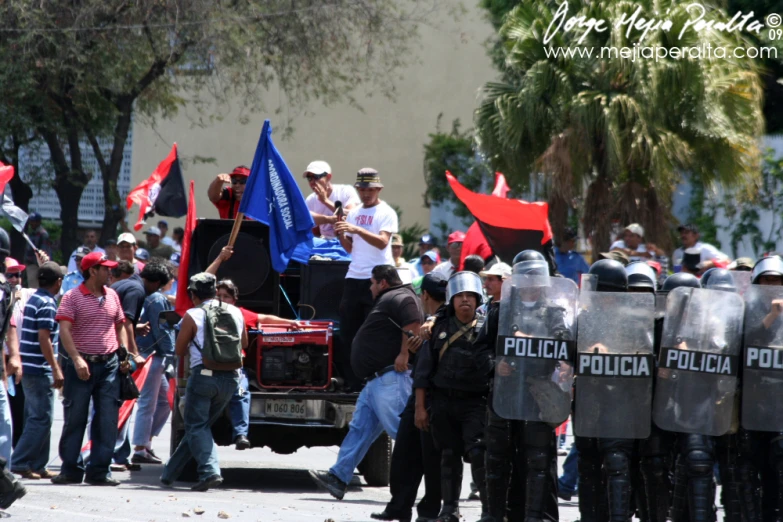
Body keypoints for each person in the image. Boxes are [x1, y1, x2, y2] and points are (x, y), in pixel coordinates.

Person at [309, 265, 421, 500]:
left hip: (392, 378)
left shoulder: (402, 296)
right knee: (360, 430)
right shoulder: (393, 297)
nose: (369, 287)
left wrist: (404, 354)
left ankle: (435, 483)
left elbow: (413, 323)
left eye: (372, 282)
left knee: (404, 434)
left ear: (383, 282)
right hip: (375, 382)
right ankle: (339, 477)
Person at [480, 250, 571, 522]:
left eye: (535, 276)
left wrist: (564, 362)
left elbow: (563, 343)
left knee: (538, 462)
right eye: (526, 276)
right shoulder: (501, 310)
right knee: (498, 461)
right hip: (505, 395)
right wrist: (495, 365)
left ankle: (535, 517)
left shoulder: (554, 312)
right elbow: (479, 351)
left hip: (536, 393)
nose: (531, 282)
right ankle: (496, 516)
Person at [415, 271, 491, 521]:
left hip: (476, 402)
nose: (465, 300)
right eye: (460, 296)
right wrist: (420, 408)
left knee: (480, 453)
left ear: (478, 299)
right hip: (444, 401)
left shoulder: (488, 327)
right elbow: (424, 372)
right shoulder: (437, 328)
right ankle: (449, 509)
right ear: (452, 300)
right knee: (448, 455)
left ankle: (489, 511)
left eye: (470, 295)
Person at [372, 272, 446, 522]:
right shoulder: (431, 322)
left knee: (431, 460)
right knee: (404, 454)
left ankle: (429, 511)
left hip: (436, 399)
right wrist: (415, 349)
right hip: (418, 396)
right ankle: (398, 507)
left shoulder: (440, 320)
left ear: (424, 295)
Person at [161, 273, 246, 491]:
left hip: (203, 378)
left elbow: (179, 350)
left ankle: (209, 472)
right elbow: (244, 342)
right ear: (215, 291)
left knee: (196, 425)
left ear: (193, 294)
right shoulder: (236, 311)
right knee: (200, 426)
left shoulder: (193, 314)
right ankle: (169, 474)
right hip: (231, 379)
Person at [53, 252, 128, 486]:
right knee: (75, 418)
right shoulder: (71, 297)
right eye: (105, 268)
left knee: (107, 419)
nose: (110, 272)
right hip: (80, 365)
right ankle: (71, 469)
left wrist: (124, 352)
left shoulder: (113, 296)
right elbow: (64, 330)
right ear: (92, 271)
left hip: (109, 365)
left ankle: (99, 471)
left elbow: (120, 325)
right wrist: (76, 359)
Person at [334, 168, 399, 390]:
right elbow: (351, 249)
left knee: (375, 330)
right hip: (355, 276)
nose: (365, 193)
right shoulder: (353, 213)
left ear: (378, 189)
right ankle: (351, 381)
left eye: (370, 189)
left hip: (379, 278)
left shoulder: (386, 212)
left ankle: (375, 378)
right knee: (348, 332)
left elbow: (382, 242)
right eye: (362, 189)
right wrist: (341, 233)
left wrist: (356, 229)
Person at [9, 262, 65, 480]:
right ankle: (21, 461)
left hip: (30, 366)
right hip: (39, 368)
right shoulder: (48, 304)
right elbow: (45, 338)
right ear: (58, 282)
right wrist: (55, 368)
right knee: (41, 418)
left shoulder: (34, 299)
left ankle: (38, 464)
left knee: (38, 416)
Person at [131, 262, 175, 465]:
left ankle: (145, 443)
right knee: (148, 403)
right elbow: (162, 330)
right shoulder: (157, 298)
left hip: (146, 354)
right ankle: (140, 448)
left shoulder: (138, 292)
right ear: (159, 282)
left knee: (165, 401)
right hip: (151, 356)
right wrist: (172, 354)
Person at [0, 228, 28, 508]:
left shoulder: (6, 292)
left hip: (1, 367)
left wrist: (14, 357)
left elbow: (9, 326)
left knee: (5, 427)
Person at [3, 258, 35, 448]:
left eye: (18, 275)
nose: (15, 279)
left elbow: (55, 293)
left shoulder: (28, 294)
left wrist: (43, 265)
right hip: (3, 359)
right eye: (10, 275)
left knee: (19, 411)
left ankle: (17, 455)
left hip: (19, 361)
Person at [303, 160, 360, 239]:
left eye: (316, 177)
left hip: (347, 240)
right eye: (309, 178)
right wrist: (328, 219)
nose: (312, 182)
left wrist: (325, 201)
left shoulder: (345, 191)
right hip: (325, 241)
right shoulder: (310, 199)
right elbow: (306, 219)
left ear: (328, 177)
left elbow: (354, 216)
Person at [23, 212, 51, 288]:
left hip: (37, 265)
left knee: (35, 288)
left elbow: (44, 251)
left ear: (38, 222)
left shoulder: (43, 234)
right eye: (31, 221)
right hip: (30, 265)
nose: (31, 223)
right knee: (31, 286)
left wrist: (40, 265)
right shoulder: (32, 233)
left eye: (33, 221)